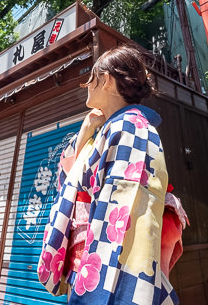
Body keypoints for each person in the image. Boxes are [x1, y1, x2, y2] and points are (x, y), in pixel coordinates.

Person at [38, 45, 180, 304]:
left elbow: (123, 211)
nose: (87, 86)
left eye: (91, 79)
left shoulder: (131, 126)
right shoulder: (110, 129)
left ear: (105, 80)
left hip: (102, 261)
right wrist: (85, 129)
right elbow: (66, 180)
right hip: (86, 261)